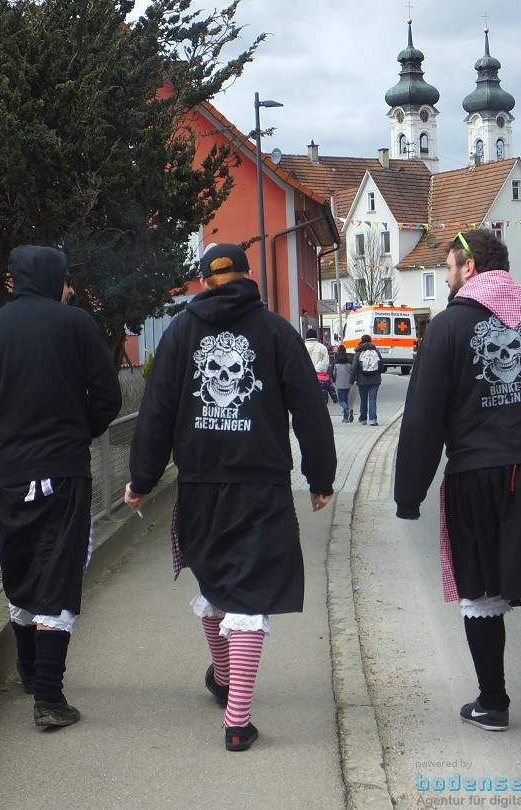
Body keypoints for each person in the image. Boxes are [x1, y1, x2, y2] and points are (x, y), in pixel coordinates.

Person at [124, 244, 336, 752]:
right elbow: (309, 407)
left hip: (199, 482)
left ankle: (226, 686)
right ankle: (234, 713)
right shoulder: (277, 332)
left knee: (217, 580)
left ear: (202, 281)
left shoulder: (180, 333)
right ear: (248, 276)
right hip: (261, 483)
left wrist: (142, 479)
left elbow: (156, 412)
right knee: (249, 592)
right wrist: (321, 477)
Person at [394, 228, 521, 735]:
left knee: (481, 591)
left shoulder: (445, 328)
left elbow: (422, 417)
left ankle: (493, 703)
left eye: (447, 268)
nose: (445, 278)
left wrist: (408, 495)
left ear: (469, 267)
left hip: (474, 475)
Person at [0, 245, 122, 729]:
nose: (70, 289)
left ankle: (29, 671)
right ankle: (48, 697)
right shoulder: (78, 325)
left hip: (9, 474)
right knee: (58, 575)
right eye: (68, 280)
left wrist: (4, 434)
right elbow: (107, 397)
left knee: (21, 568)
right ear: (54, 278)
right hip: (64, 470)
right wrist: (76, 432)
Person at [351, 334, 383, 426]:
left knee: (363, 399)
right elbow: (381, 364)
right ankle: (373, 419)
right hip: (375, 379)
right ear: (370, 341)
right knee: (372, 399)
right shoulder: (376, 351)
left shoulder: (358, 352)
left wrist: (352, 379)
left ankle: (363, 419)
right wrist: (378, 373)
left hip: (362, 380)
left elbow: (354, 367)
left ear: (361, 341)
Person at [304, 327, 331, 402]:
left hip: (305, 379)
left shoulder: (302, 347)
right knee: (320, 402)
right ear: (316, 336)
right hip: (320, 379)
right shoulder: (323, 348)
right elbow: (326, 363)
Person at [331, 344, 354, 423]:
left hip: (339, 382)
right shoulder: (349, 361)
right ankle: (346, 417)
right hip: (348, 383)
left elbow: (333, 373)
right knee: (346, 399)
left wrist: (334, 380)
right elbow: (352, 371)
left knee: (341, 400)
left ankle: (347, 408)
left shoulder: (336, 361)